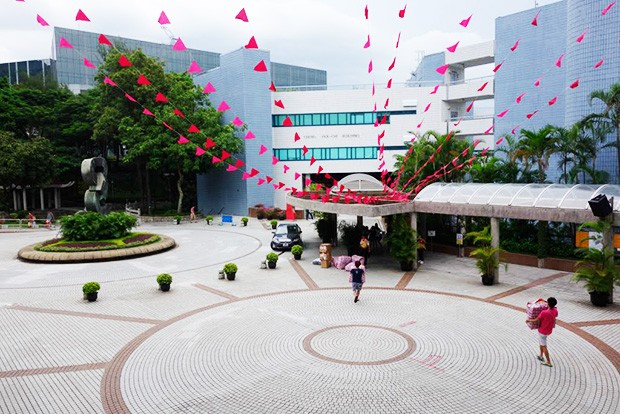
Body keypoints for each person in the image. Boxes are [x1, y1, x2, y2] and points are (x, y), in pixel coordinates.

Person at [527, 297, 558, 367]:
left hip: (542, 331)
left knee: (544, 346)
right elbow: (554, 314)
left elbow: (536, 319)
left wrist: (529, 320)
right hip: (549, 330)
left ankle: (548, 362)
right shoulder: (555, 310)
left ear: (548, 304)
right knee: (541, 342)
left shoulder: (544, 312)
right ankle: (541, 355)